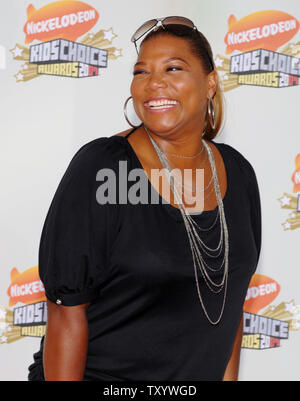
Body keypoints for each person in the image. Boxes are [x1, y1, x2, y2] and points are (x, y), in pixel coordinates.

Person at [28, 17, 261, 381]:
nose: (154, 83)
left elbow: (229, 309)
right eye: (141, 71)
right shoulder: (105, 168)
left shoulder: (238, 173)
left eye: (173, 68)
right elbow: (65, 312)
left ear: (210, 83)